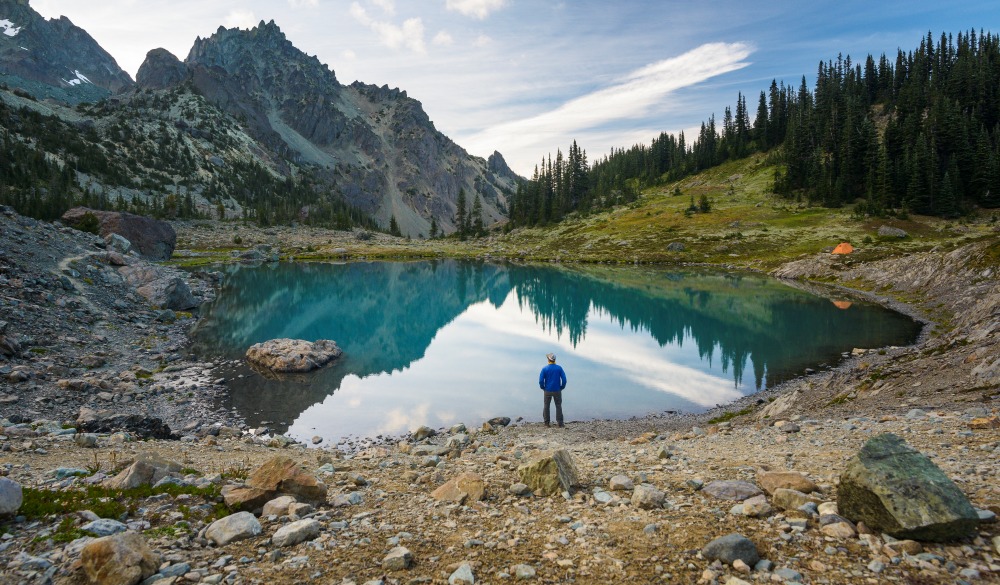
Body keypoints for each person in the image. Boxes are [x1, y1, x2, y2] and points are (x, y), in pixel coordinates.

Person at [538, 352, 567, 428]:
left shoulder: (544, 369)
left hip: (547, 390)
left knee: (546, 406)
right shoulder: (559, 368)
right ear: (554, 360)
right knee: (558, 406)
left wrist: (542, 387)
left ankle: (547, 423)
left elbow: (541, 381)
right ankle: (560, 423)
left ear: (548, 359)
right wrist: (562, 387)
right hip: (557, 390)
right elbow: (564, 380)